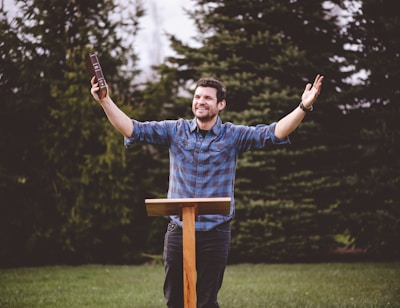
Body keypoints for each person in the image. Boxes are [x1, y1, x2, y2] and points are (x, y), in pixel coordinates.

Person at [90, 74, 324, 308]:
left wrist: (303, 106)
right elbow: (133, 130)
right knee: (174, 300)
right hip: (178, 230)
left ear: (220, 104)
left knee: (206, 302)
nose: (200, 101)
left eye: (207, 98)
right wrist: (105, 101)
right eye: (197, 96)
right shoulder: (175, 130)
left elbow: (273, 134)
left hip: (215, 231)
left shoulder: (232, 135)